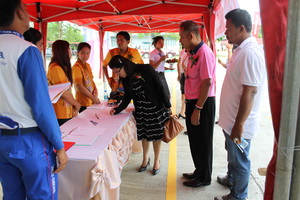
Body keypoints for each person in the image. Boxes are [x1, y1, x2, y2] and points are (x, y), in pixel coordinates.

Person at [0, 0, 68, 199]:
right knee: (42, 195)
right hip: (28, 140)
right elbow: (40, 104)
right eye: (27, 10)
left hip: (2, 139)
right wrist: (59, 146)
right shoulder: (26, 49)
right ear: (20, 13)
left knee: (12, 195)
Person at [215, 9, 267, 200]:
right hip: (231, 121)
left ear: (242, 28)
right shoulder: (241, 49)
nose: (226, 32)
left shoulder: (251, 53)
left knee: (240, 161)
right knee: (233, 157)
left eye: (228, 28)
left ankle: (238, 196)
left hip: (239, 124)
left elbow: (250, 91)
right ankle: (232, 179)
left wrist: (239, 125)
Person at [108, 55, 171, 176]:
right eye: (115, 72)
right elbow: (127, 96)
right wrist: (118, 109)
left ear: (124, 66)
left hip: (155, 107)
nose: (117, 75)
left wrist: (167, 106)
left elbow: (160, 86)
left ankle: (157, 160)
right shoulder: (125, 78)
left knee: (157, 135)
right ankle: (145, 159)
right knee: (144, 135)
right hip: (141, 109)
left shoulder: (146, 69)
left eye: (117, 71)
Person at [179, 20, 216, 187]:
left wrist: (198, 109)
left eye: (181, 37)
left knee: (203, 141)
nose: (180, 40)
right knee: (195, 139)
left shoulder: (205, 53)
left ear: (190, 35)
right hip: (193, 101)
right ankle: (198, 170)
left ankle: (204, 177)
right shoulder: (192, 52)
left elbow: (207, 83)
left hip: (203, 103)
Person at [47, 40, 81, 126]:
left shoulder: (61, 67)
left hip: (66, 111)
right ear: (63, 51)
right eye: (68, 49)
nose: (70, 52)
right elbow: (64, 93)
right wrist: (76, 104)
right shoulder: (56, 69)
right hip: (60, 113)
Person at [72, 42, 100, 113]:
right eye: (82, 53)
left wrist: (95, 89)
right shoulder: (76, 67)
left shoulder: (87, 65)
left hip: (91, 100)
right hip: (83, 102)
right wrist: (93, 97)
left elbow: (91, 80)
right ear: (77, 53)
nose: (85, 55)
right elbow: (79, 86)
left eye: (88, 53)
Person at [177, 46, 189, 120]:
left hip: (184, 75)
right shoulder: (185, 53)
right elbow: (182, 66)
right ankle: (182, 111)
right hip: (185, 76)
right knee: (185, 93)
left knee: (184, 93)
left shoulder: (184, 53)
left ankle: (182, 111)